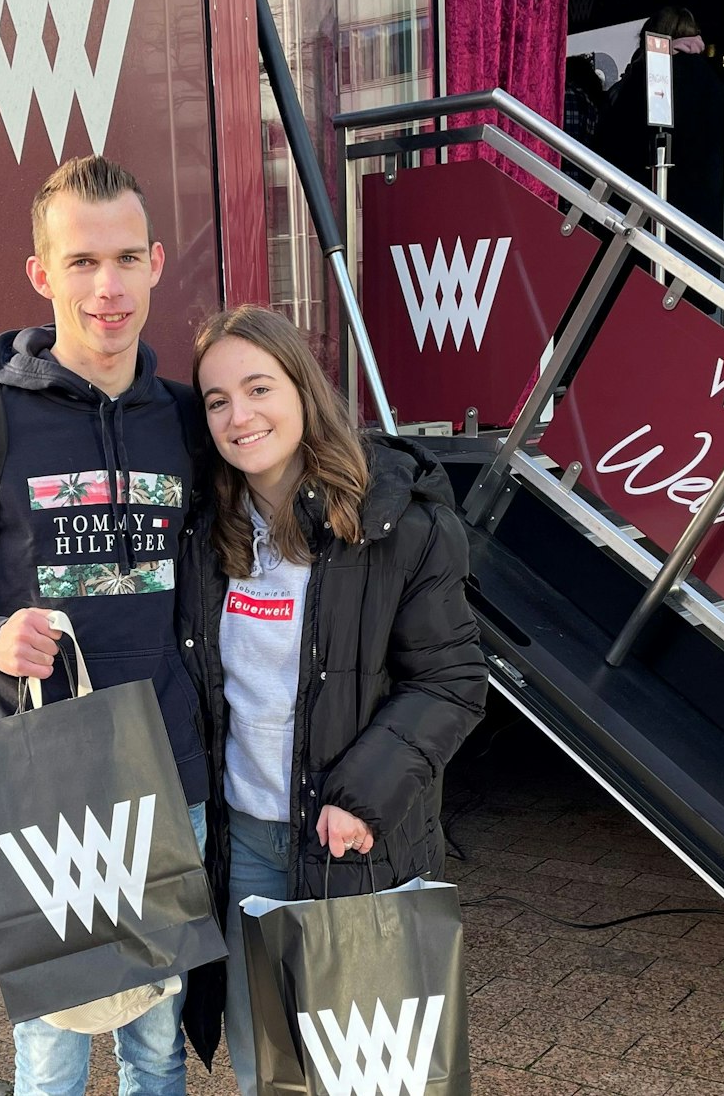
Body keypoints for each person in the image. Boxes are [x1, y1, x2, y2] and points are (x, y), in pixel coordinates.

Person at [0, 156, 208, 1096]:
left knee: (156, 1042)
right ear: (41, 274)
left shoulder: (185, 421)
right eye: (83, 261)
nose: (108, 287)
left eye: (127, 259)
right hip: (43, 783)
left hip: (169, 770)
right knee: (54, 1052)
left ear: (155, 265)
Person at [175, 306, 487, 1095]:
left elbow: (451, 681)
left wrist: (362, 797)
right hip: (244, 843)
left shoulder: (397, 523)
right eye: (217, 401)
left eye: (258, 387)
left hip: (359, 843)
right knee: (269, 1070)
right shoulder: (207, 532)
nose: (240, 416)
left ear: (303, 390)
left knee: (366, 1077)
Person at [592, 6, 724, 236]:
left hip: (649, 210)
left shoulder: (646, 78)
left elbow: (612, 143)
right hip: (705, 217)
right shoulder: (714, 81)